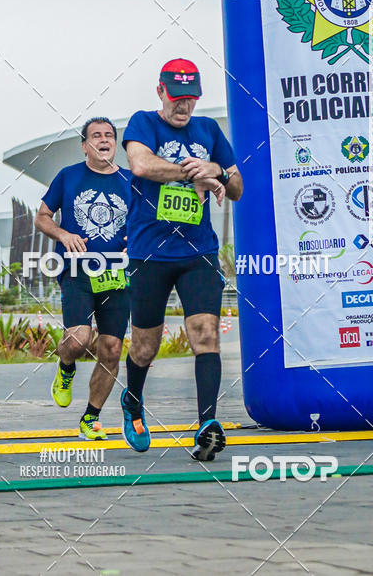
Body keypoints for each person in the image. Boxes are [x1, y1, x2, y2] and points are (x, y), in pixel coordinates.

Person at [121, 59, 243, 460]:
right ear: (160, 92)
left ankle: (207, 424)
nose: (183, 108)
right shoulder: (142, 122)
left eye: (190, 99)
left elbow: (238, 185)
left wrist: (219, 174)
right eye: (177, 99)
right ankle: (133, 401)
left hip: (198, 251)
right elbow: (141, 164)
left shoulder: (208, 130)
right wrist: (193, 174)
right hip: (149, 253)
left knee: (206, 334)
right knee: (145, 346)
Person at [35, 116, 131, 440]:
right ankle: (65, 368)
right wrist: (62, 235)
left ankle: (91, 418)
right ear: (84, 146)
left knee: (111, 348)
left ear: (115, 144)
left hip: (117, 274)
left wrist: (138, 239)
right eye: (96, 136)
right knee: (78, 338)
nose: (103, 140)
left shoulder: (132, 182)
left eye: (109, 136)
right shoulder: (69, 176)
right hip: (77, 269)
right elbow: (42, 217)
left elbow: (147, 223)